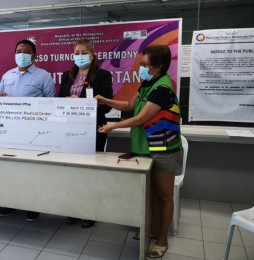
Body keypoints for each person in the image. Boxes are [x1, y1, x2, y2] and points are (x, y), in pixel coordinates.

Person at [96, 45, 182, 258]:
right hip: (144, 147)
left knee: (164, 195)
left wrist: (111, 127)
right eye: (141, 64)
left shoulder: (163, 88)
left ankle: (162, 239)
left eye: (145, 65)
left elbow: (141, 118)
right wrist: (105, 101)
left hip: (163, 148)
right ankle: (151, 229)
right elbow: (128, 106)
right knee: (150, 192)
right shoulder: (146, 84)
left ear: (159, 66)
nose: (141, 68)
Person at [0, 39, 55, 221]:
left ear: (34, 55)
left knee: (33, 170)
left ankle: (33, 206)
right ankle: (11, 203)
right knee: (11, 170)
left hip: (34, 132)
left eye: (26, 51)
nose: (22, 54)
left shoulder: (43, 76)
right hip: (10, 132)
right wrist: (1, 97)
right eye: (19, 51)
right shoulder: (7, 76)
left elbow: (51, 104)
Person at [59, 39, 113, 229]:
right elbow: (59, 100)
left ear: (92, 54)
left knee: (91, 171)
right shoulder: (67, 75)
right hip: (70, 129)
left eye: (83, 52)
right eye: (76, 52)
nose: (79, 56)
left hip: (94, 129)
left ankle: (90, 212)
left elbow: (107, 105)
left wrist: (81, 102)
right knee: (72, 171)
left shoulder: (103, 75)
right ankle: (73, 210)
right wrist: (67, 101)